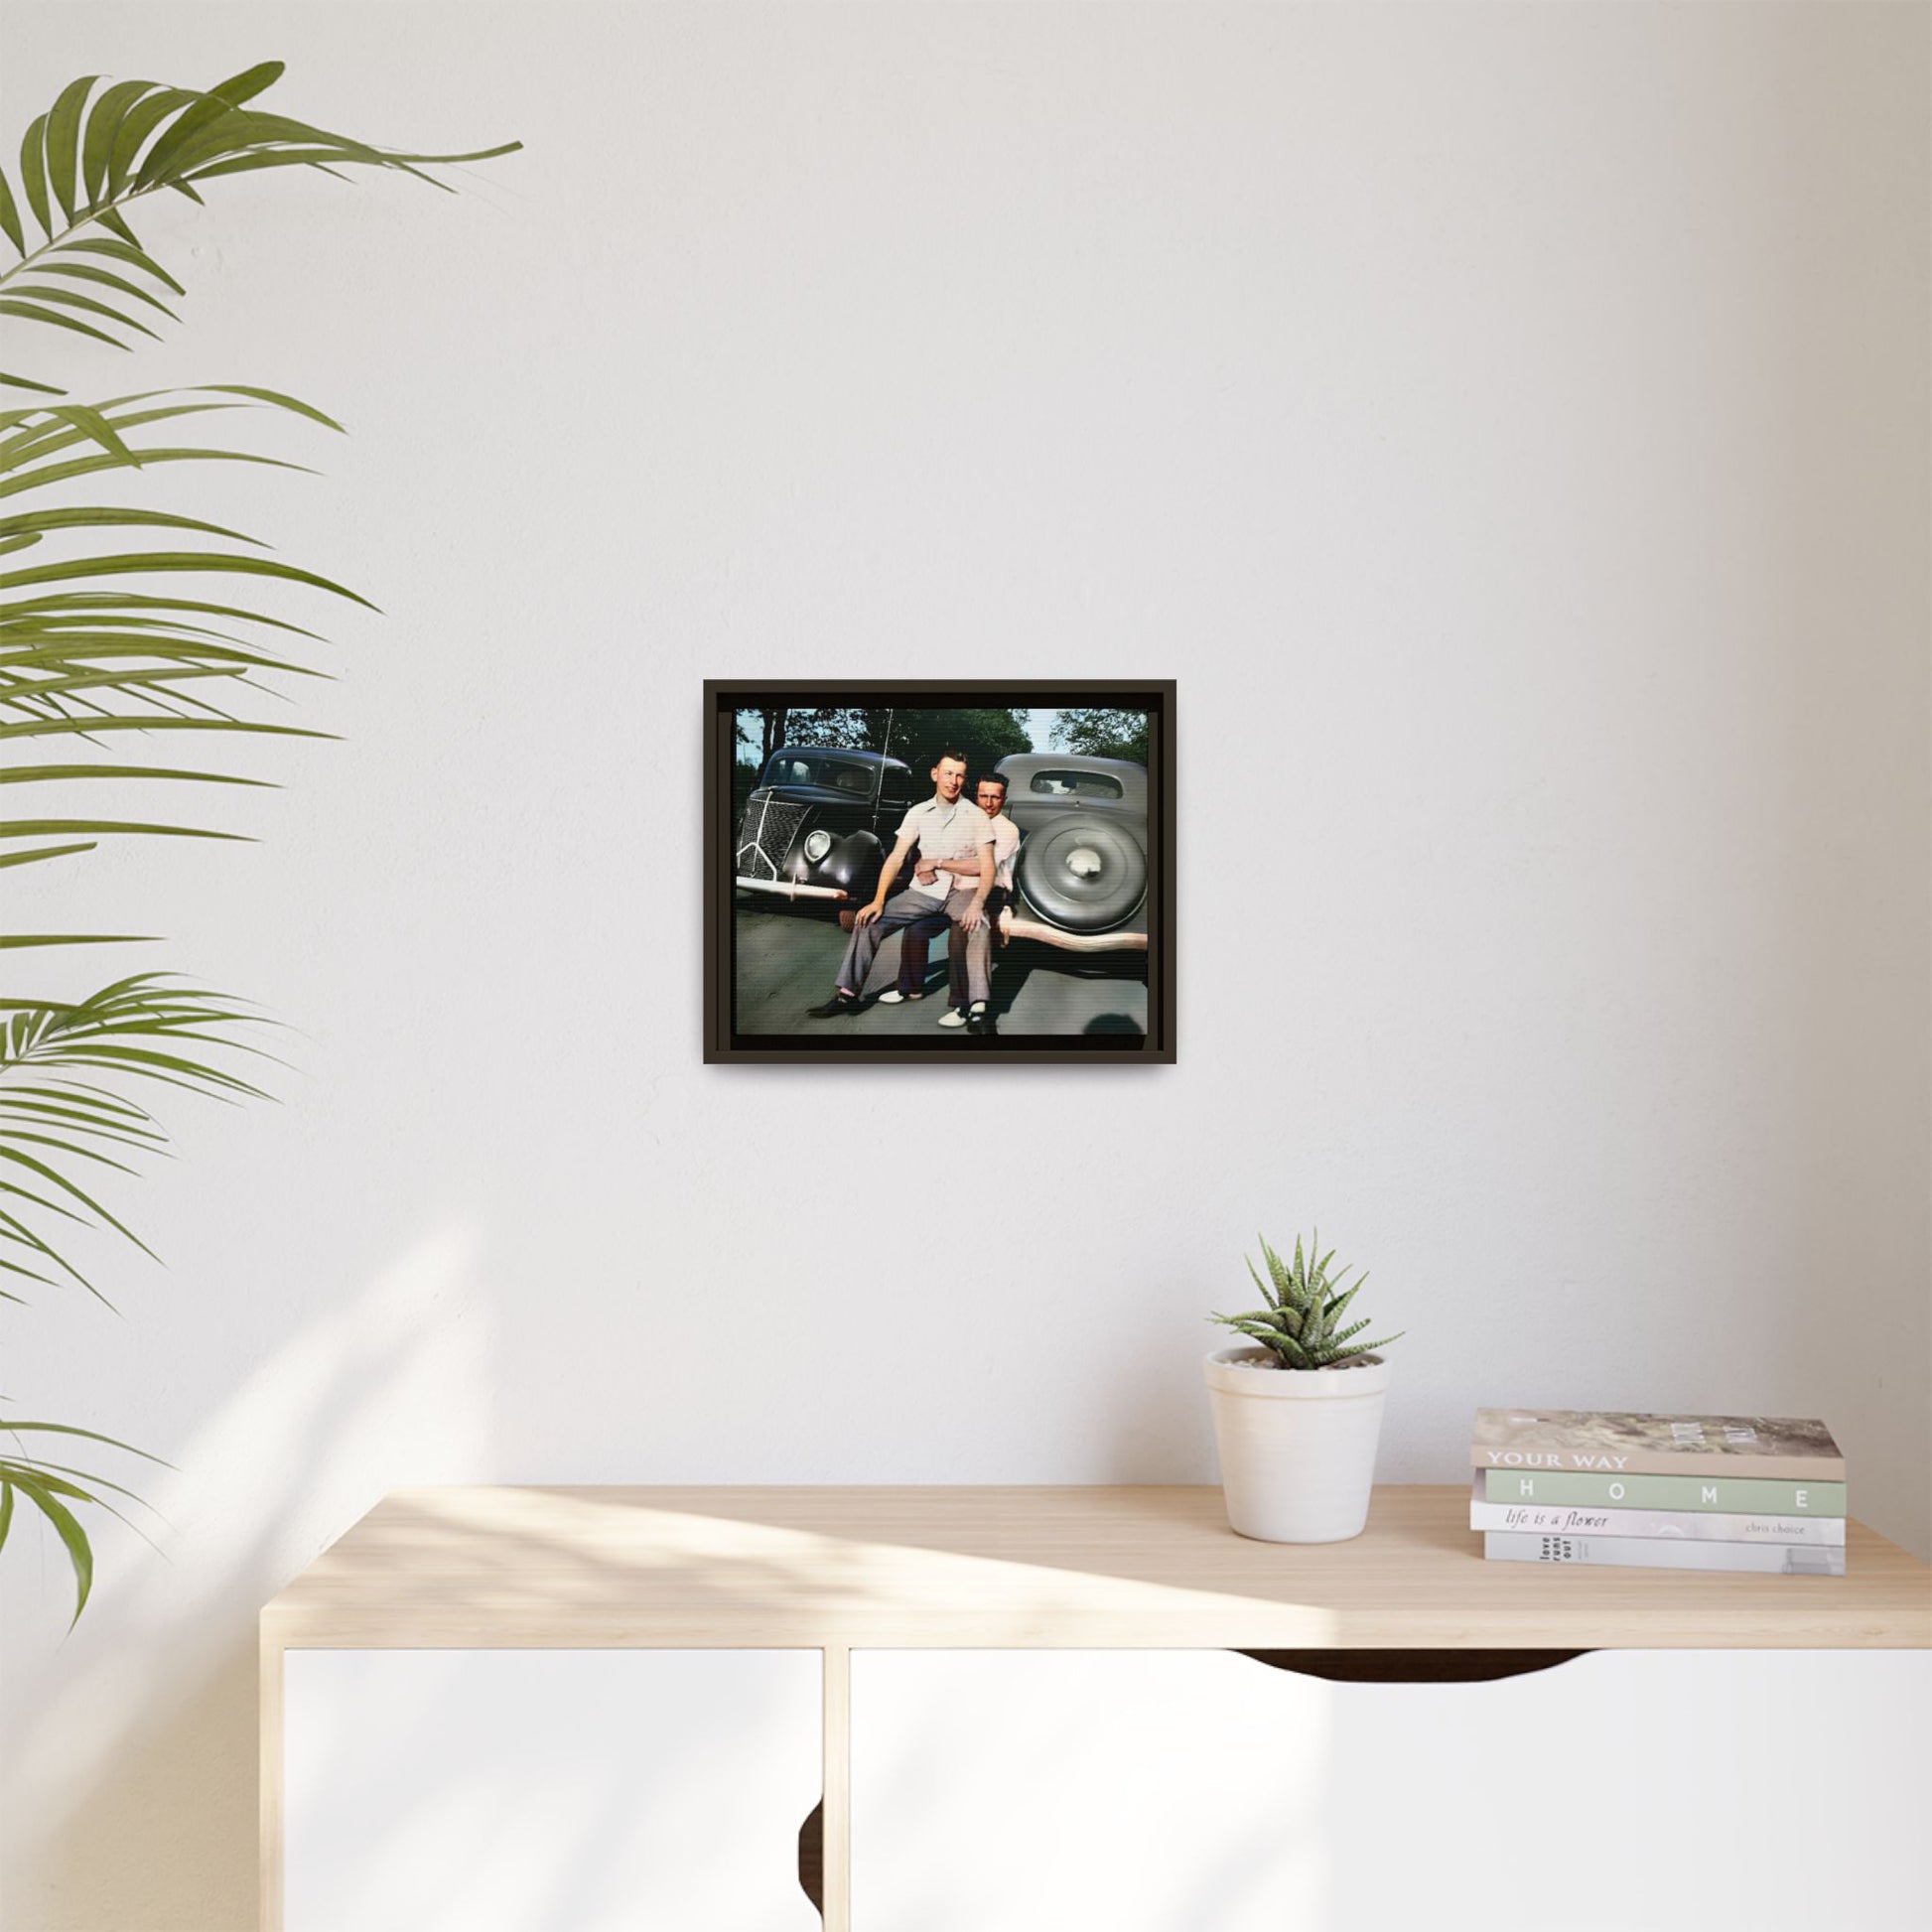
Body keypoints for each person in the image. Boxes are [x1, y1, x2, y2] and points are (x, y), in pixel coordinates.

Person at [808, 751, 994, 1021]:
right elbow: (896, 857)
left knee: (979, 924)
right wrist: (878, 900)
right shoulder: (918, 812)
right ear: (935, 774)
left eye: (959, 775)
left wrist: (977, 904)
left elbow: (987, 865)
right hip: (924, 891)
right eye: (948, 773)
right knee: (868, 921)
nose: (953, 781)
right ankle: (846, 995)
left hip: (962, 892)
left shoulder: (976, 815)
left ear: (965, 780)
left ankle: (979, 1008)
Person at [885, 772, 1019, 1035]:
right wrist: (927, 868)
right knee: (916, 929)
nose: (989, 803)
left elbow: (983, 867)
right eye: (983, 796)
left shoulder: (1007, 830)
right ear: (976, 795)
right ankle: (910, 987)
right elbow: (941, 854)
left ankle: (963, 1006)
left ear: (1004, 798)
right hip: (953, 890)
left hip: (990, 893)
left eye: (995, 797)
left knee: (961, 935)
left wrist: (941, 863)